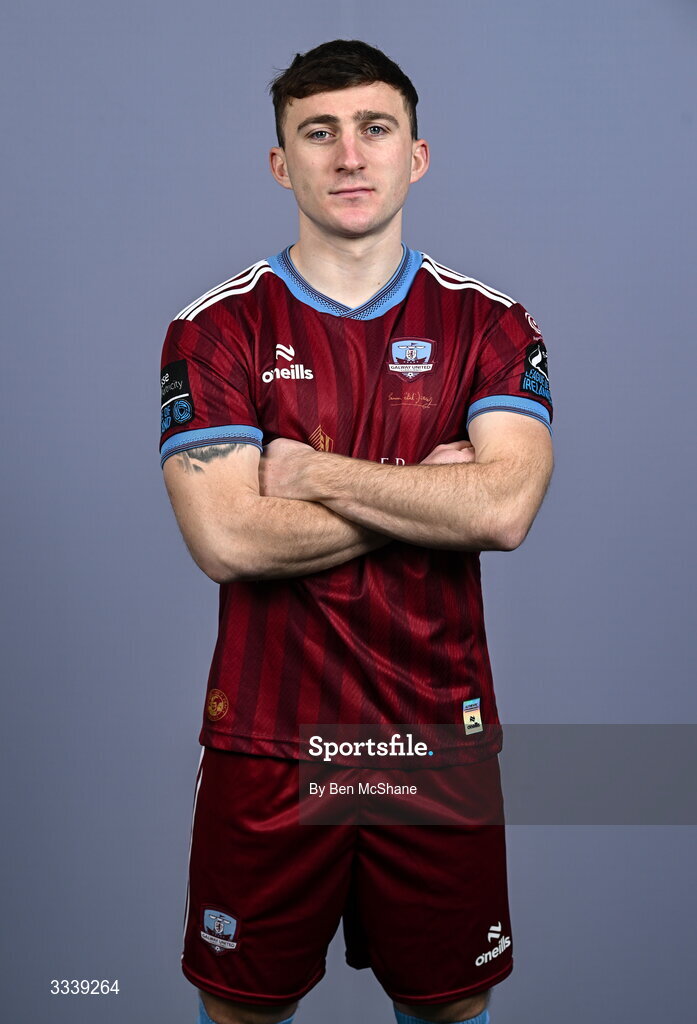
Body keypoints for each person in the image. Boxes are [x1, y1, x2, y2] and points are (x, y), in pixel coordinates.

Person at [159, 39, 553, 1024]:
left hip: (436, 742)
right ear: (279, 162)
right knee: (242, 1012)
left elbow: (502, 509)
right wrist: (425, 491)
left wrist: (311, 473)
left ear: (415, 155)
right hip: (268, 746)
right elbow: (228, 540)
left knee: (450, 1009)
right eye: (317, 133)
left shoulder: (490, 324)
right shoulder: (215, 329)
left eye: (374, 129)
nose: (347, 155)